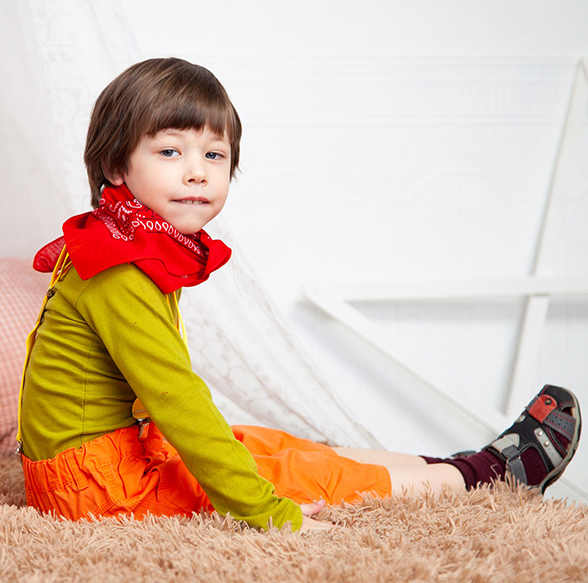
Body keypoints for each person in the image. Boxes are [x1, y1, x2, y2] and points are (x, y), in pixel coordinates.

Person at [17, 58, 582, 533]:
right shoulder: (119, 269)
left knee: (266, 441)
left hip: (104, 458)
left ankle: (445, 466)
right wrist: (266, 510)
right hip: (95, 490)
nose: (196, 173)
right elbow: (179, 402)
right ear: (116, 164)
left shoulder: (121, 238)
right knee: (284, 473)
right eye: (170, 152)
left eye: (213, 155)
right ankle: (490, 474)